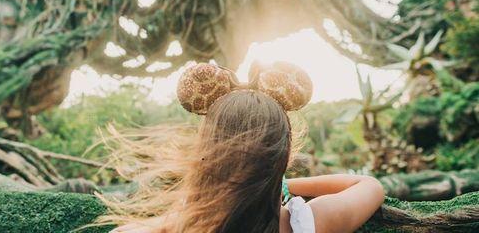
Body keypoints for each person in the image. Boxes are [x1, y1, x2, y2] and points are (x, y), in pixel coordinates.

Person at [99, 62, 385, 233]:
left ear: (205, 151)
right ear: (283, 154)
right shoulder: (307, 224)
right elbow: (369, 185)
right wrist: (278, 182)